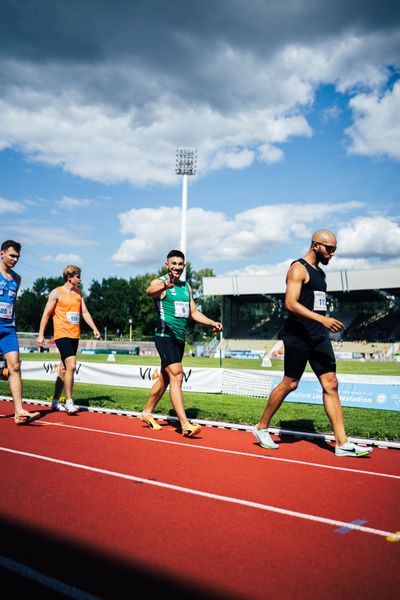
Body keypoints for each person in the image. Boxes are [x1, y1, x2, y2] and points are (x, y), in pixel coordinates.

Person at [253, 230, 373, 458]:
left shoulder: (320, 274)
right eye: (329, 248)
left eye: (335, 250)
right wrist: (323, 319)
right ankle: (261, 428)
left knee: (331, 383)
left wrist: (322, 324)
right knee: (290, 384)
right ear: (316, 245)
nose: (332, 254)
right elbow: (290, 303)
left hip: (318, 336)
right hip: (298, 335)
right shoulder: (298, 268)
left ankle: (342, 443)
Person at [140, 250, 222, 436]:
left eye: (180, 264)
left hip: (179, 339)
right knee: (177, 375)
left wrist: (212, 322)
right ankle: (185, 424)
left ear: (183, 266)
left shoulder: (186, 287)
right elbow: (149, 292)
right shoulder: (160, 282)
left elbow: (193, 312)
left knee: (165, 378)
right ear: (167, 265)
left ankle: (147, 411)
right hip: (164, 336)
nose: (177, 267)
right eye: (173, 263)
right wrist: (164, 286)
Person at [37, 265, 101, 414]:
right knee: (72, 365)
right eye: (78, 276)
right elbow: (46, 314)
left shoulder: (78, 293)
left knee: (64, 369)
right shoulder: (56, 293)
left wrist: (94, 328)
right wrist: (41, 334)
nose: (80, 278)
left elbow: (84, 312)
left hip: (74, 335)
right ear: (69, 277)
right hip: (61, 334)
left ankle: (54, 402)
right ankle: (69, 402)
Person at [0, 240, 40, 425]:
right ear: (2, 253)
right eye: (12, 255)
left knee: (15, 367)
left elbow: (13, 303)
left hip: (8, 328)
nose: (15, 259)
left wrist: (13, 320)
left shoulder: (17, 278)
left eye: (17, 257)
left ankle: (19, 411)